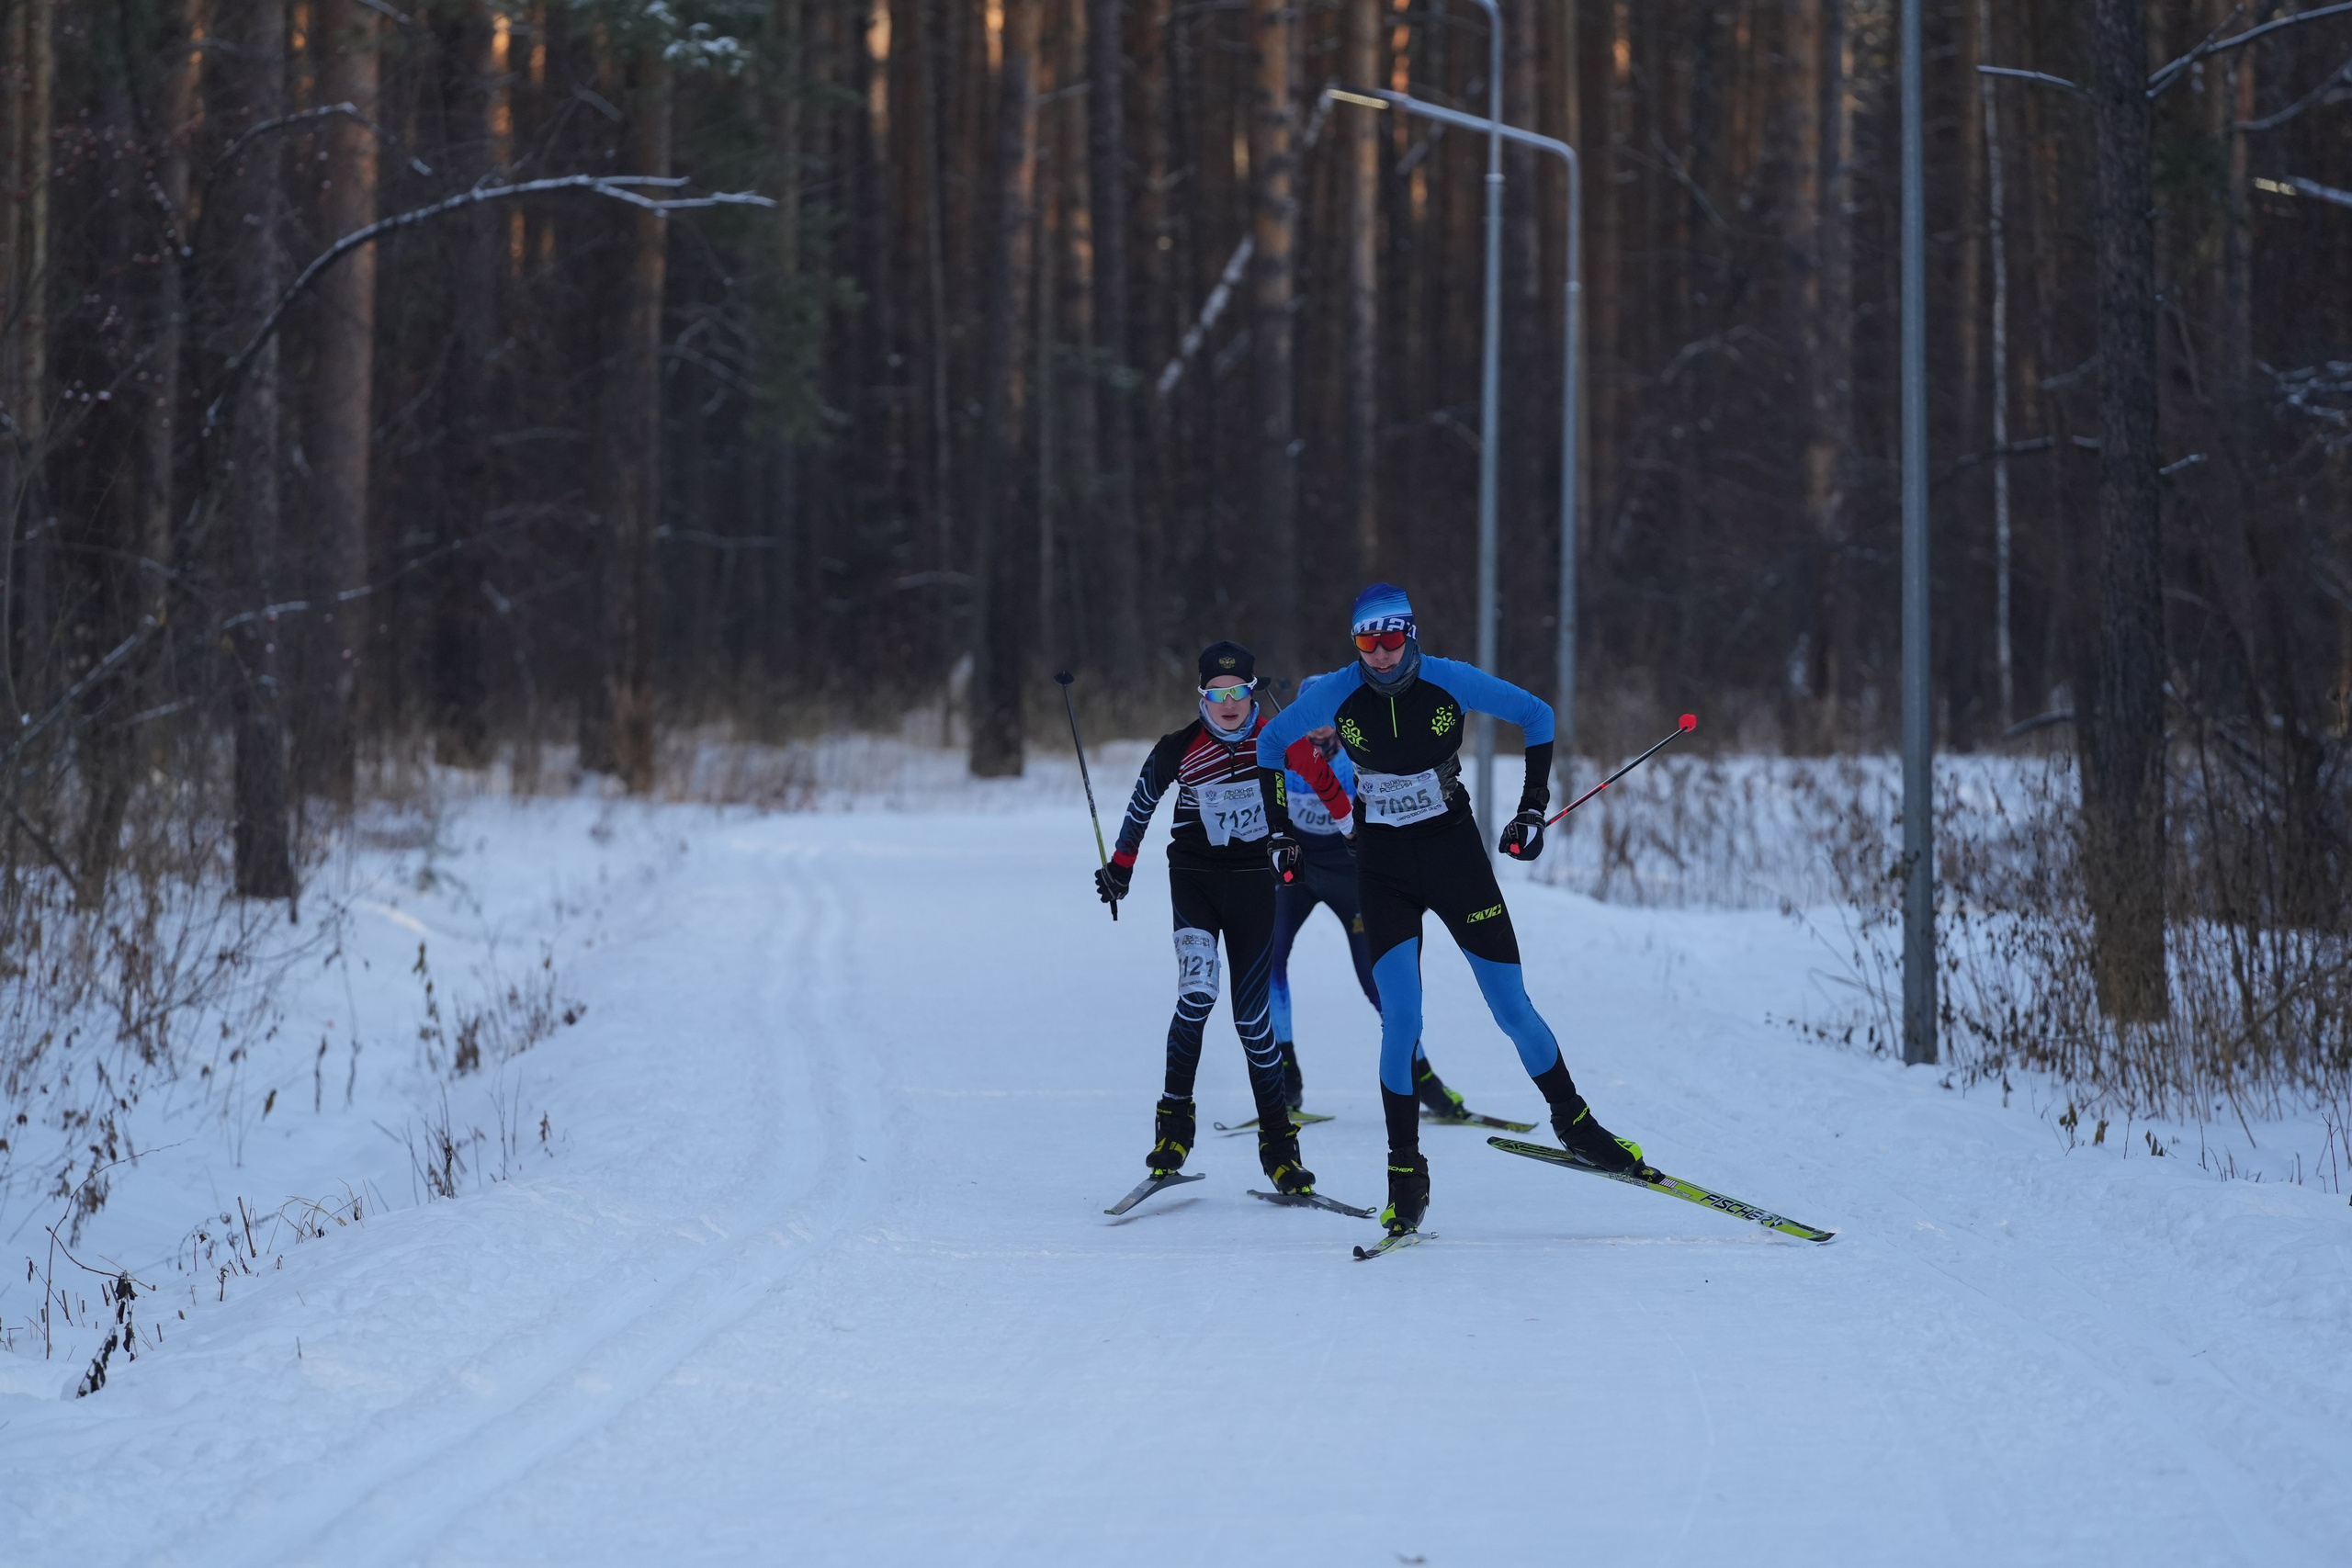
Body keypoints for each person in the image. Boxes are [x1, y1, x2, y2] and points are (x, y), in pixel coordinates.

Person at [1255, 583, 1643, 1240]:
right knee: (1401, 1015)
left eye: (1391, 638)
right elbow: (1270, 747)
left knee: (1511, 1006)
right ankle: (1404, 1174)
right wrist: (1279, 831)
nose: (1380, 654)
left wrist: (1530, 808)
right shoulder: (1333, 694)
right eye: (1366, 641)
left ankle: (1576, 1124)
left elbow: (1538, 715)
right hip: (1381, 868)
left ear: (1411, 633)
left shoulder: (1449, 681)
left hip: (1454, 858)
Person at [1093, 641, 1356, 1198]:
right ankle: (1173, 1134)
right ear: (1202, 697)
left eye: (1238, 692)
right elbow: (1142, 803)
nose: (1229, 704)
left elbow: (1329, 788)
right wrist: (1120, 867)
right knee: (1197, 995)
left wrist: (1359, 837)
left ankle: (1281, 1153)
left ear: (1252, 692)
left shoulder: (1278, 742)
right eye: (1217, 694)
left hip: (1255, 887)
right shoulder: (1181, 747)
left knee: (1251, 1020)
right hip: (1193, 879)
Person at [1268, 676, 1476, 1122]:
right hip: (1298, 876)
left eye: (1327, 720)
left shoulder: (1358, 760)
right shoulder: (1287, 757)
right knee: (1271, 959)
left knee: (1377, 981)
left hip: (1349, 878)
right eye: (1310, 720)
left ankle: (1422, 1077)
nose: (1319, 731)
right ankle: (1286, 1076)